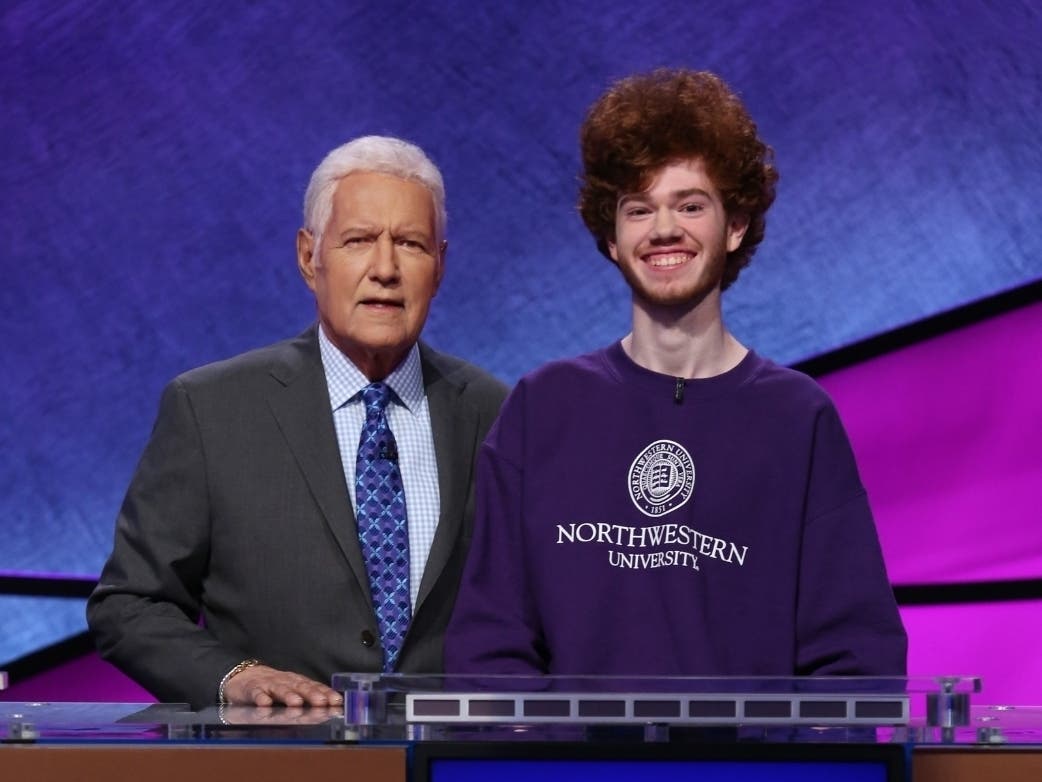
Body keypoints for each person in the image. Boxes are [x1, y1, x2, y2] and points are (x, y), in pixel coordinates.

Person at [445, 70, 907, 677]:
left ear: (734, 225)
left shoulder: (798, 419)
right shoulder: (544, 406)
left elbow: (855, 657)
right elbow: (488, 645)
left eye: (690, 205)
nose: (664, 229)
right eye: (639, 209)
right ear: (611, 236)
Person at [87, 136, 508, 709]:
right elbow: (130, 605)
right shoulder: (210, 409)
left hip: (445, 762)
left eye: (410, 244)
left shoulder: (495, 413)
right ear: (310, 257)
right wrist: (230, 678)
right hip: (275, 760)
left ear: (440, 266)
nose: (384, 269)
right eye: (359, 241)